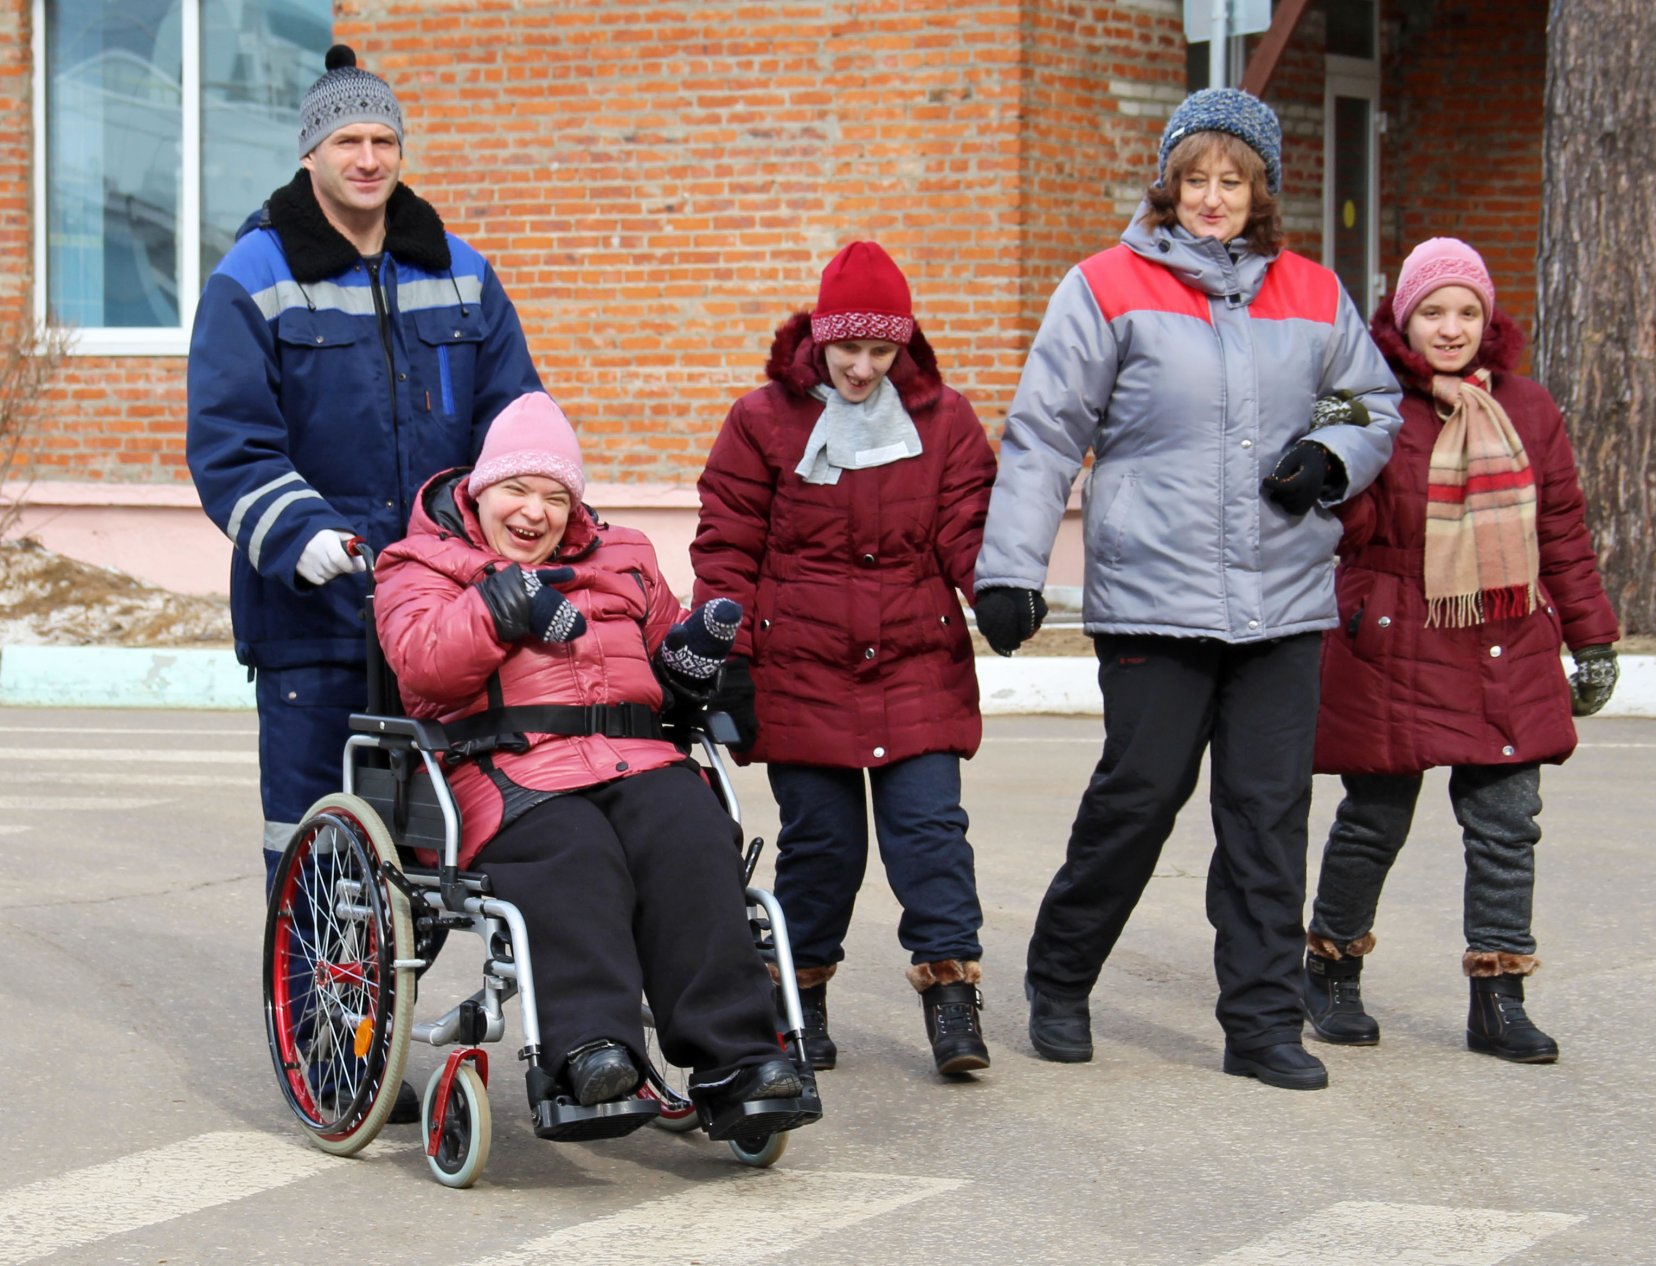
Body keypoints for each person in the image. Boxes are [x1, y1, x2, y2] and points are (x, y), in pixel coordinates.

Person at [973, 88, 1402, 1091]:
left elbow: (1371, 399)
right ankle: (1060, 974)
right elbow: (1043, 435)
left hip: (1281, 600)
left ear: (1262, 192)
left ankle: (1260, 1026)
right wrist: (1009, 572)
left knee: (1265, 813)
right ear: (1170, 183)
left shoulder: (1311, 290)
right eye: (1197, 179)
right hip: (1152, 598)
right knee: (1140, 798)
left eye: (1234, 181)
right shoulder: (1104, 287)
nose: (1213, 198)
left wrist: (1329, 457)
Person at [186, 44, 539, 1122]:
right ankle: (334, 1054)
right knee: (318, 842)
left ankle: (455, 1019)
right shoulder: (254, 276)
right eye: (350, 139)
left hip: (441, 610)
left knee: (445, 844)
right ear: (312, 153)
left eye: (385, 139)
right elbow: (229, 443)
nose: (371, 157)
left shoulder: (461, 272)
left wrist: (508, 526)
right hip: (317, 615)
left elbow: (513, 420)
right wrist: (308, 537)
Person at [372, 391, 815, 1136]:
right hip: (504, 768)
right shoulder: (420, 564)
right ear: (479, 490)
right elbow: (422, 665)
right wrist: (501, 606)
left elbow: (667, 670)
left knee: (692, 834)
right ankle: (588, 1050)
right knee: (572, 849)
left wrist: (694, 655)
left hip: (637, 757)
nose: (533, 512)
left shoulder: (625, 557)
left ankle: (739, 1057)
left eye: (553, 496)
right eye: (515, 490)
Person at [1301, 238, 1619, 1065]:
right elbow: (1332, 520)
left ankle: (1499, 997)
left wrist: (1593, 638)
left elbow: (1561, 534)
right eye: (1433, 311)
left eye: (1467, 311)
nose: (1451, 327)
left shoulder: (1530, 407)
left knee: (1508, 823)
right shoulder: (1364, 399)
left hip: (1503, 634)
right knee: (1374, 820)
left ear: (1489, 319)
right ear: (1403, 317)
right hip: (1395, 634)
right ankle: (1330, 970)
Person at [691, 241, 997, 1078]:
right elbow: (728, 547)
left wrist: (996, 591)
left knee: (931, 833)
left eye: (881, 350)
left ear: (905, 344)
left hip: (915, 659)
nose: (863, 367)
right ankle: (801, 997)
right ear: (817, 339)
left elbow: (968, 529)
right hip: (802, 666)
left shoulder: (945, 421)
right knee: (822, 845)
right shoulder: (762, 421)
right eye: (847, 348)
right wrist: (728, 654)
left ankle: (952, 998)